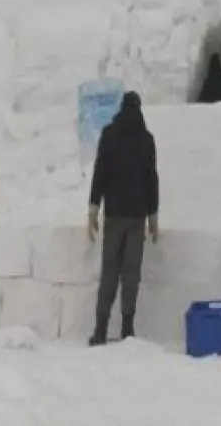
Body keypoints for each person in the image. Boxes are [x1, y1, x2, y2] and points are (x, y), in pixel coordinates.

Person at [87, 91, 159, 346]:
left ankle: (100, 330)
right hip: (137, 217)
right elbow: (152, 179)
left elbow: (100, 173)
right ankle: (128, 328)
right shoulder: (146, 139)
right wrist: (153, 215)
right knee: (131, 273)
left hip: (114, 214)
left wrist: (93, 207)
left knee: (110, 272)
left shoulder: (109, 134)